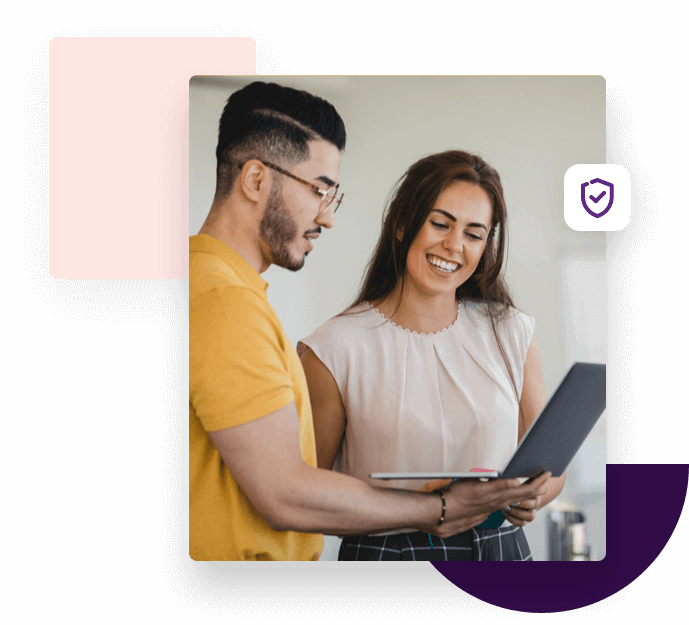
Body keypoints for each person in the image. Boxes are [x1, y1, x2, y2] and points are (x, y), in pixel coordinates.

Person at [189, 81, 553, 561]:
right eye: (319, 190)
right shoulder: (225, 302)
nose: (328, 216)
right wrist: (439, 507)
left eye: (474, 233)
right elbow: (288, 493)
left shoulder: (231, 294)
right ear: (256, 180)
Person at [297, 149, 567, 560]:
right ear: (403, 223)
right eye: (440, 224)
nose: (454, 245)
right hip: (387, 550)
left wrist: (531, 497)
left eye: (474, 234)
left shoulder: (512, 332)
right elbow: (305, 494)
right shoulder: (334, 348)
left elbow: (552, 469)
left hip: (501, 550)